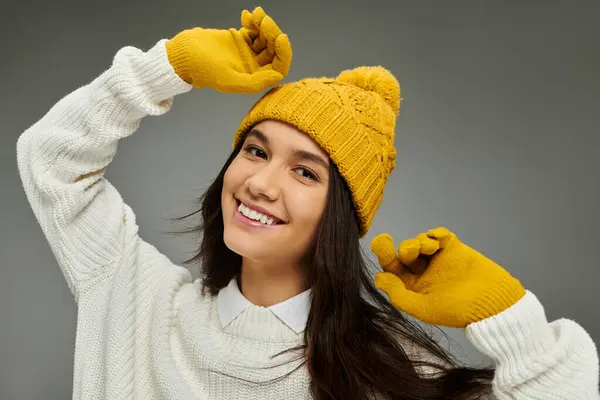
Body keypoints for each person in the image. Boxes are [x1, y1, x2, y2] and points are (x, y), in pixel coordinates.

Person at [16, 6, 598, 400]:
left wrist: (507, 315)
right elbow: (49, 159)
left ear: (340, 217)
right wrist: (166, 68)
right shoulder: (133, 300)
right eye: (254, 149)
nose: (262, 184)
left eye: (304, 171)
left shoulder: (386, 372)